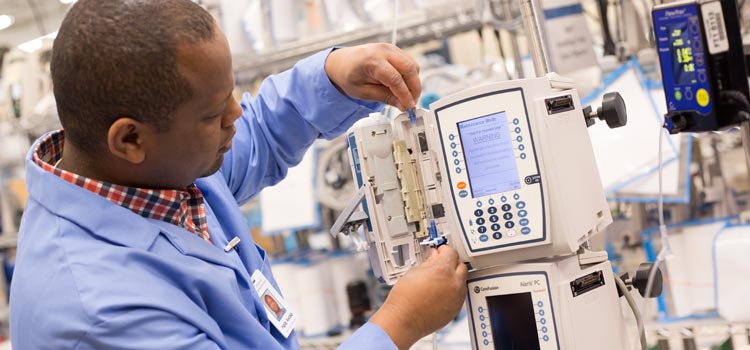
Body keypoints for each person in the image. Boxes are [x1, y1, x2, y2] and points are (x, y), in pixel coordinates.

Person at [8, 1, 468, 349]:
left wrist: (333, 76)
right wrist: (400, 323)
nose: (236, 115)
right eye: (213, 113)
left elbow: (260, 132)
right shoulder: (101, 313)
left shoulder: (152, 172)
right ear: (129, 139)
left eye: (232, 94)